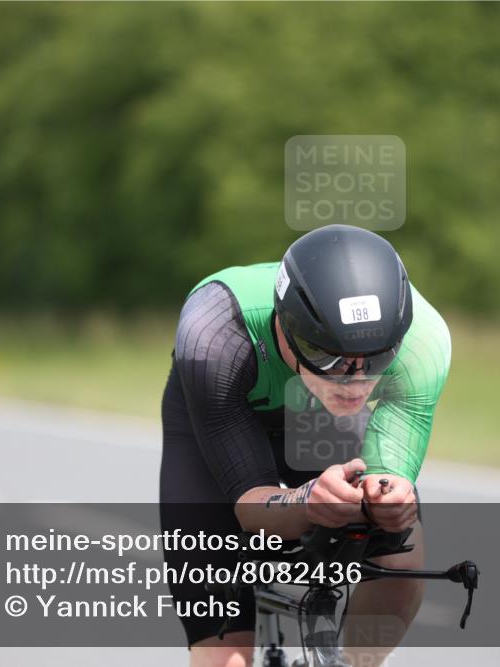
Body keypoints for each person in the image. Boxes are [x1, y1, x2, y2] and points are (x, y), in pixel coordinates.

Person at [160, 224, 452, 666]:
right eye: (328, 357)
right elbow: (249, 503)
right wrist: (308, 500)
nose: (355, 381)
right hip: (222, 414)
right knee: (225, 656)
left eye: (376, 358)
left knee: (401, 560)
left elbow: (389, 475)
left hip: (319, 420)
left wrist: (387, 496)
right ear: (285, 324)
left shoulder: (423, 345)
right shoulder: (214, 333)